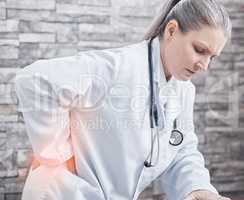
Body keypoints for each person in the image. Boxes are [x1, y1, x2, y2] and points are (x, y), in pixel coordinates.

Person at [14, 0, 232, 199]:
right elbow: (36, 80)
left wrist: (197, 188)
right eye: (199, 50)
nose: (204, 65)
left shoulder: (183, 90)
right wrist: (58, 154)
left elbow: (181, 148)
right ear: (172, 30)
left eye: (211, 57)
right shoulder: (117, 67)